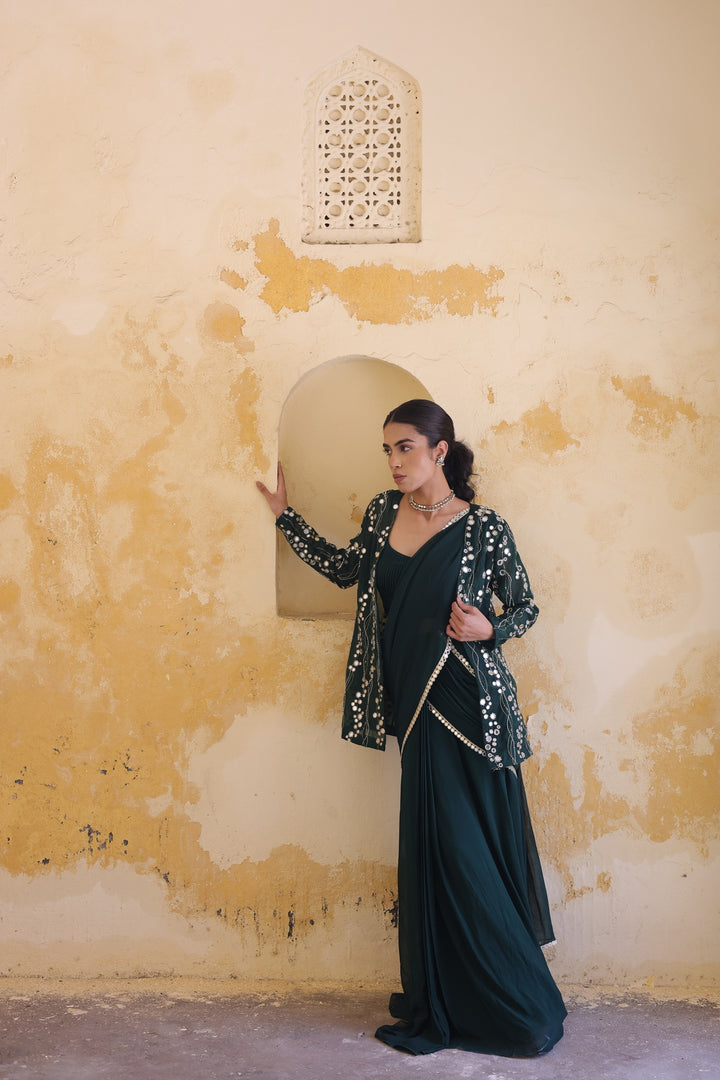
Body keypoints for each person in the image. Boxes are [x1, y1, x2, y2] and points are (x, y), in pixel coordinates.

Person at [256, 399, 566, 1057]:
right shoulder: (379, 514)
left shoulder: (483, 529)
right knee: (433, 849)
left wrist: (491, 627)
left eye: (405, 447)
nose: (395, 461)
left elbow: (526, 605)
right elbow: (348, 571)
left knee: (464, 848)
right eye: (388, 450)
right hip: (410, 701)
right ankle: (444, 992)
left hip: (463, 701)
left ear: (440, 450)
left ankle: (515, 1004)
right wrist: (286, 518)